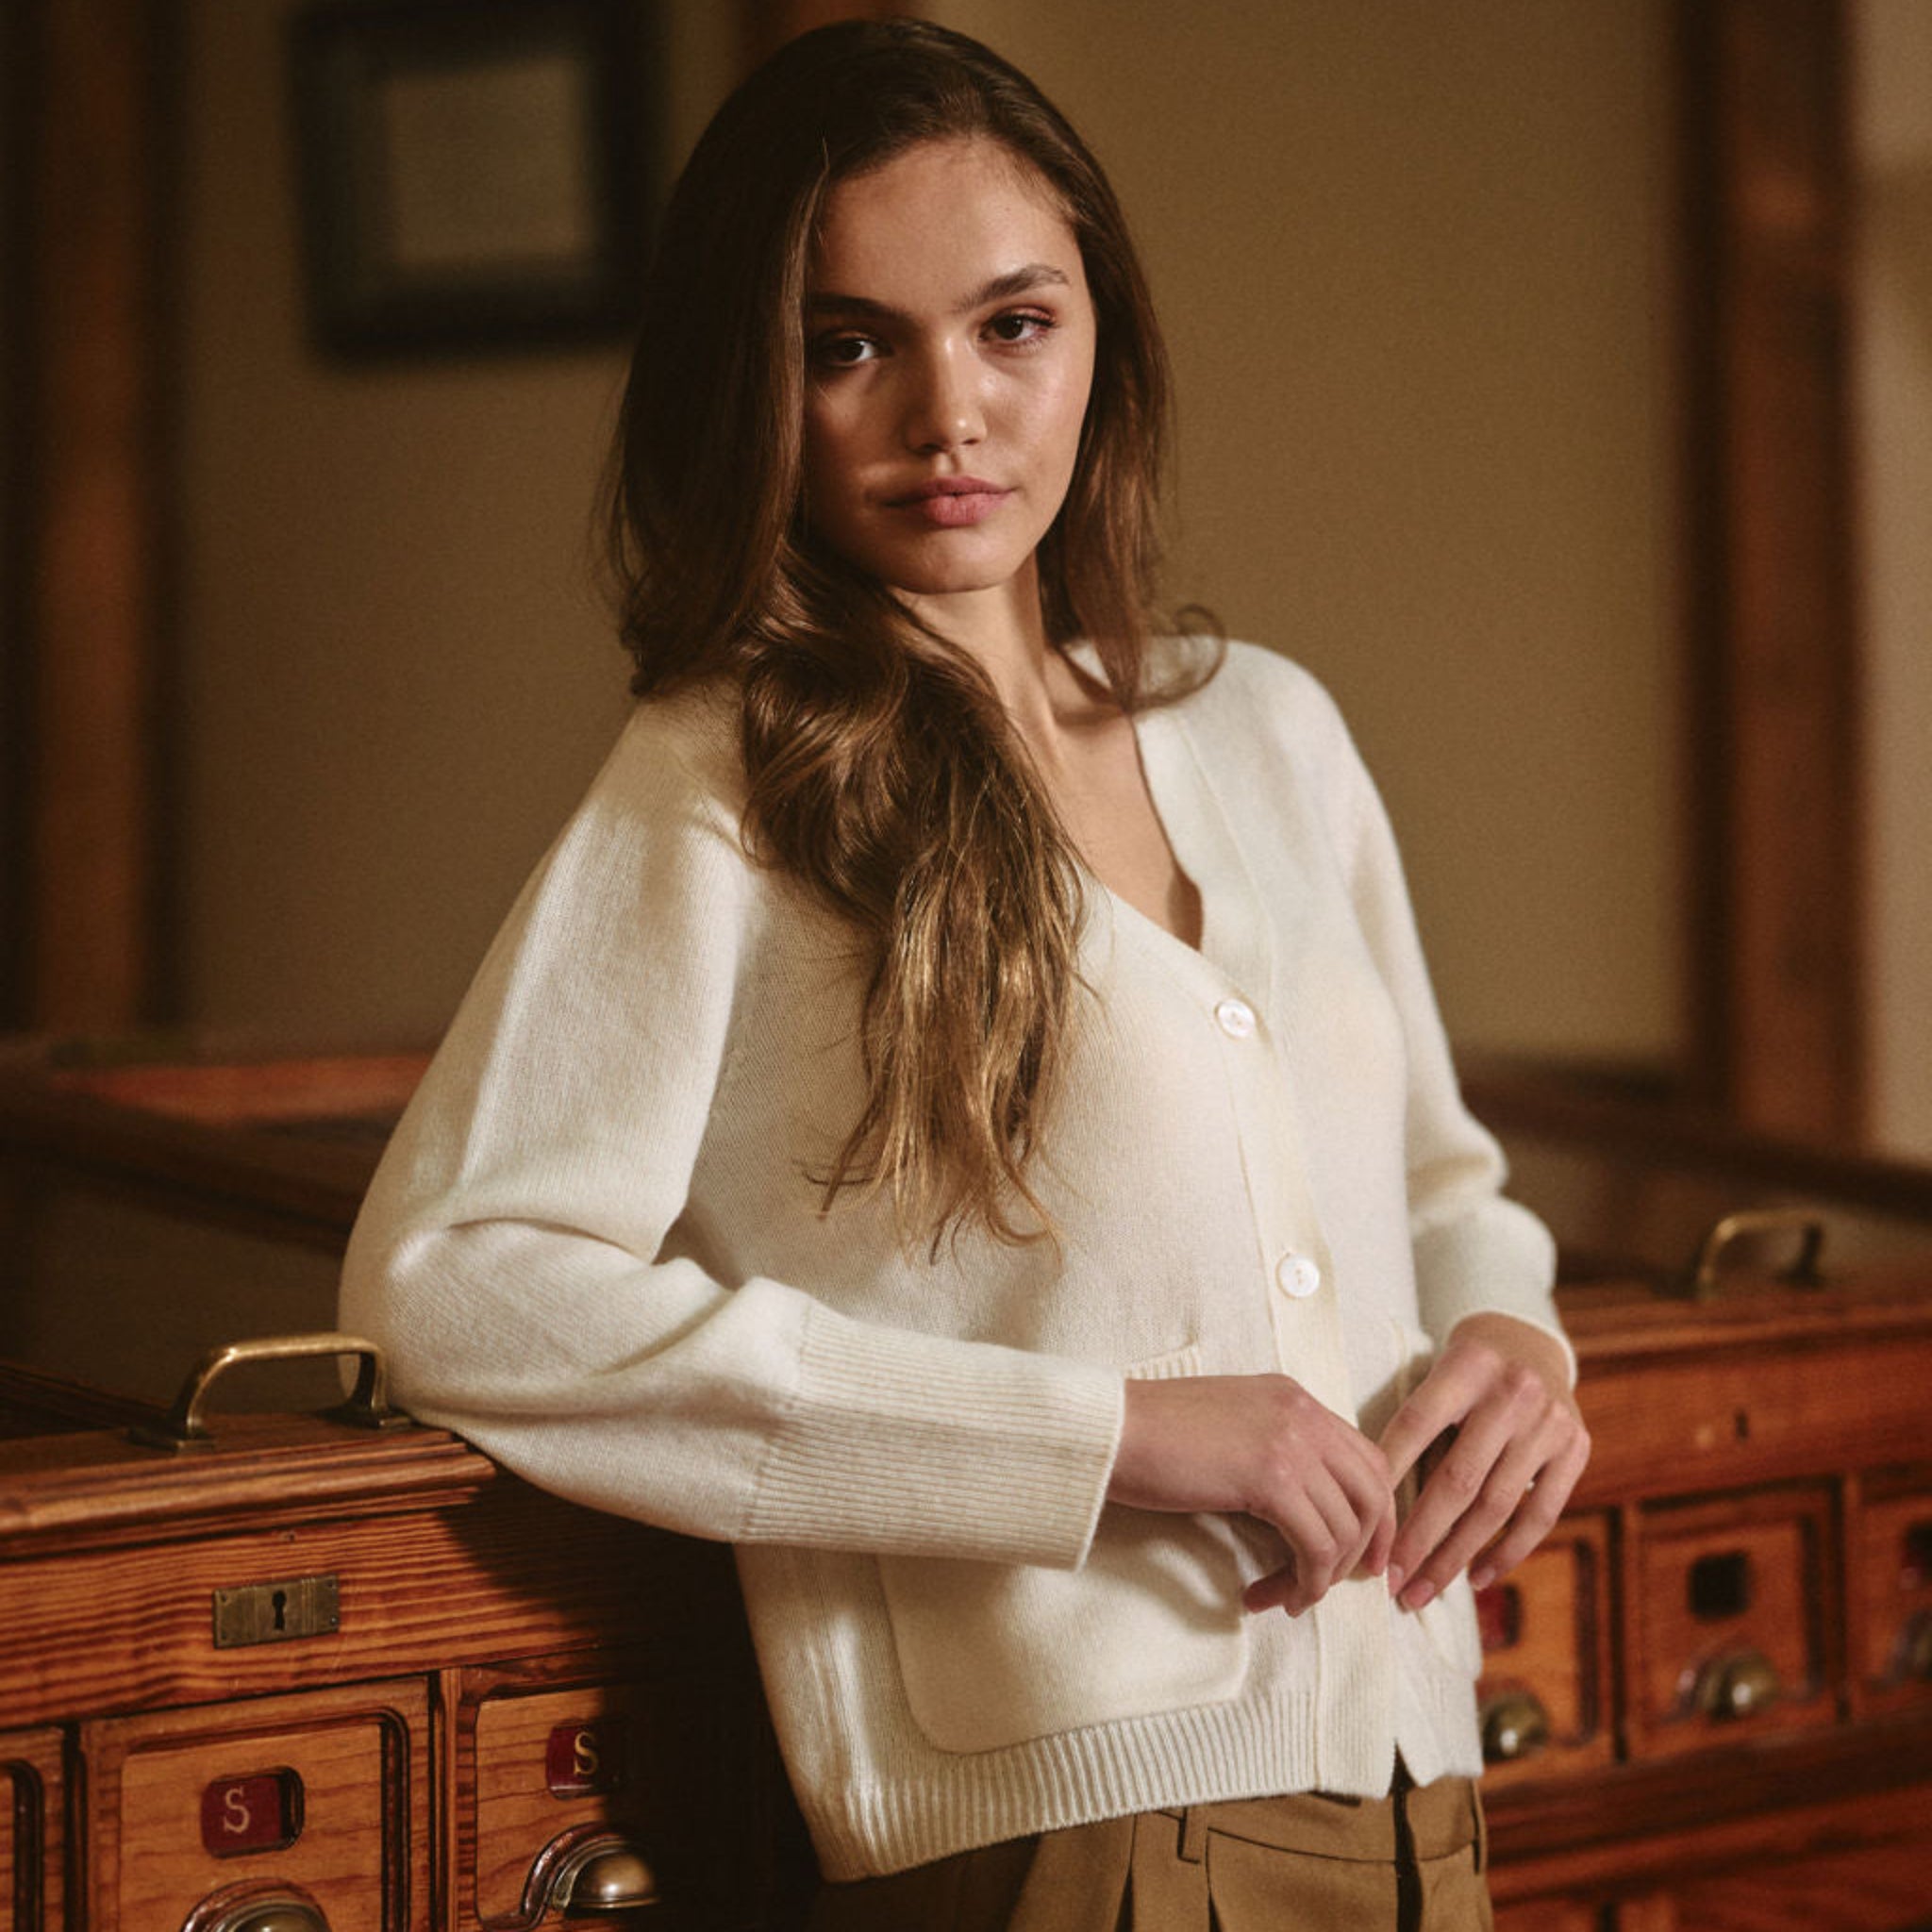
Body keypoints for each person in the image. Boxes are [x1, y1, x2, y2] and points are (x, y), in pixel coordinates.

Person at [341, 20, 1589, 1929]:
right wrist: (1106, 1441)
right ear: (754, 379)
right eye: (850, 343)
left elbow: (1442, 1180)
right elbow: (461, 1288)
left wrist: (1517, 1342)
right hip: (1062, 1843)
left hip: (1412, 1790)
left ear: (1105, 341)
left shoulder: (1271, 733)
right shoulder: (728, 772)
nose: (949, 413)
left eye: (1013, 325)